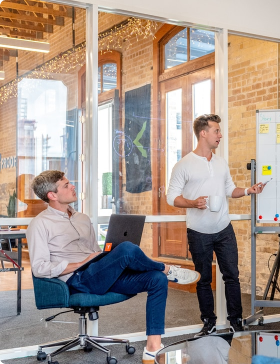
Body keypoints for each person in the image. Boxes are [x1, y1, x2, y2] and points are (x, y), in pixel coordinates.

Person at [27, 170, 200, 364]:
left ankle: (153, 347)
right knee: (127, 249)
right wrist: (80, 263)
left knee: (155, 279)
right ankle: (166, 269)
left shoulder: (82, 218)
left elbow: (94, 251)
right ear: (52, 195)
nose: (73, 186)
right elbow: (39, 268)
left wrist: (105, 256)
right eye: (66, 185)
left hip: (98, 273)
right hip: (78, 279)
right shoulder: (39, 224)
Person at [166, 113, 265, 336]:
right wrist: (192, 202)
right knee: (203, 278)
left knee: (232, 275)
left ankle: (235, 320)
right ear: (203, 133)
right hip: (198, 231)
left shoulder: (220, 163)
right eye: (216, 131)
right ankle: (208, 322)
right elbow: (171, 197)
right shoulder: (184, 164)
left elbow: (230, 190)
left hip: (224, 229)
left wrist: (249, 190)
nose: (220, 135)